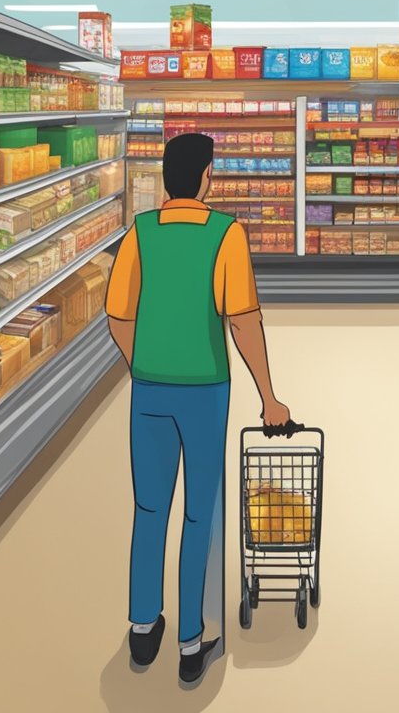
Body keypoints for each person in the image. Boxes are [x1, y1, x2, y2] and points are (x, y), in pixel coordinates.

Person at [105, 133, 292, 687]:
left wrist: (147, 362)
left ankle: (142, 629)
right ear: (207, 176)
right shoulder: (226, 235)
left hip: (150, 392)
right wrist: (269, 397)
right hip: (206, 389)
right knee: (198, 513)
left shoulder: (138, 234)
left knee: (148, 510)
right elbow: (243, 321)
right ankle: (191, 641)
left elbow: (118, 317)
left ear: (166, 179)